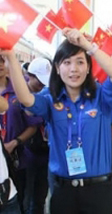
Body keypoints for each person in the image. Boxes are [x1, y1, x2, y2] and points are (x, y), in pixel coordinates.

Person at [1, 28, 112, 214]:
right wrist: (10, 57)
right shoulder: (50, 98)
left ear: (88, 67)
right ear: (57, 69)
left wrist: (88, 46)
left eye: (80, 62)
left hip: (99, 191)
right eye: (67, 62)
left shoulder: (100, 96)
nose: (73, 69)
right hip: (63, 190)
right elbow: (26, 99)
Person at [0, 55, 40, 212]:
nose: (0, 65)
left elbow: (33, 126)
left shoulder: (19, 91)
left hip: (17, 158)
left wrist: (14, 142)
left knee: (22, 199)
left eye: (3, 60)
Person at [24, 57, 52, 214]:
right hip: (27, 156)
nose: (42, 86)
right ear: (29, 75)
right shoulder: (20, 96)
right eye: (39, 81)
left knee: (40, 199)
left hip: (45, 154)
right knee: (26, 199)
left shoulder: (48, 94)